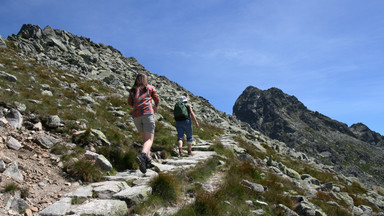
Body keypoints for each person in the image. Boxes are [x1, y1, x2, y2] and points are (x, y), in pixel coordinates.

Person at [128, 73, 159, 174]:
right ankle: (142, 156)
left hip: (136, 116)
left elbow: (130, 103)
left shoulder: (132, 90)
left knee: (145, 140)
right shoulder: (150, 87)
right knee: (150, 140)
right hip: (147, 114)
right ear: (146, 80)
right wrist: (155, 106)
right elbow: (157, 99)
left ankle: (147, 161)